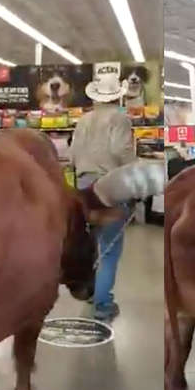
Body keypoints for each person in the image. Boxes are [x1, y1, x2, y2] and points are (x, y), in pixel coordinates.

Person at [71, 62, 136, 322]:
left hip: (84, 186)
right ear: (117, 94)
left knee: (90, 244)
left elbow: (73, 155)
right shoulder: (120, 119)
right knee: (109, 249)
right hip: (110, 185)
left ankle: (89, 291)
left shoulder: (83, 120)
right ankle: (103, 304)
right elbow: (121, 151)